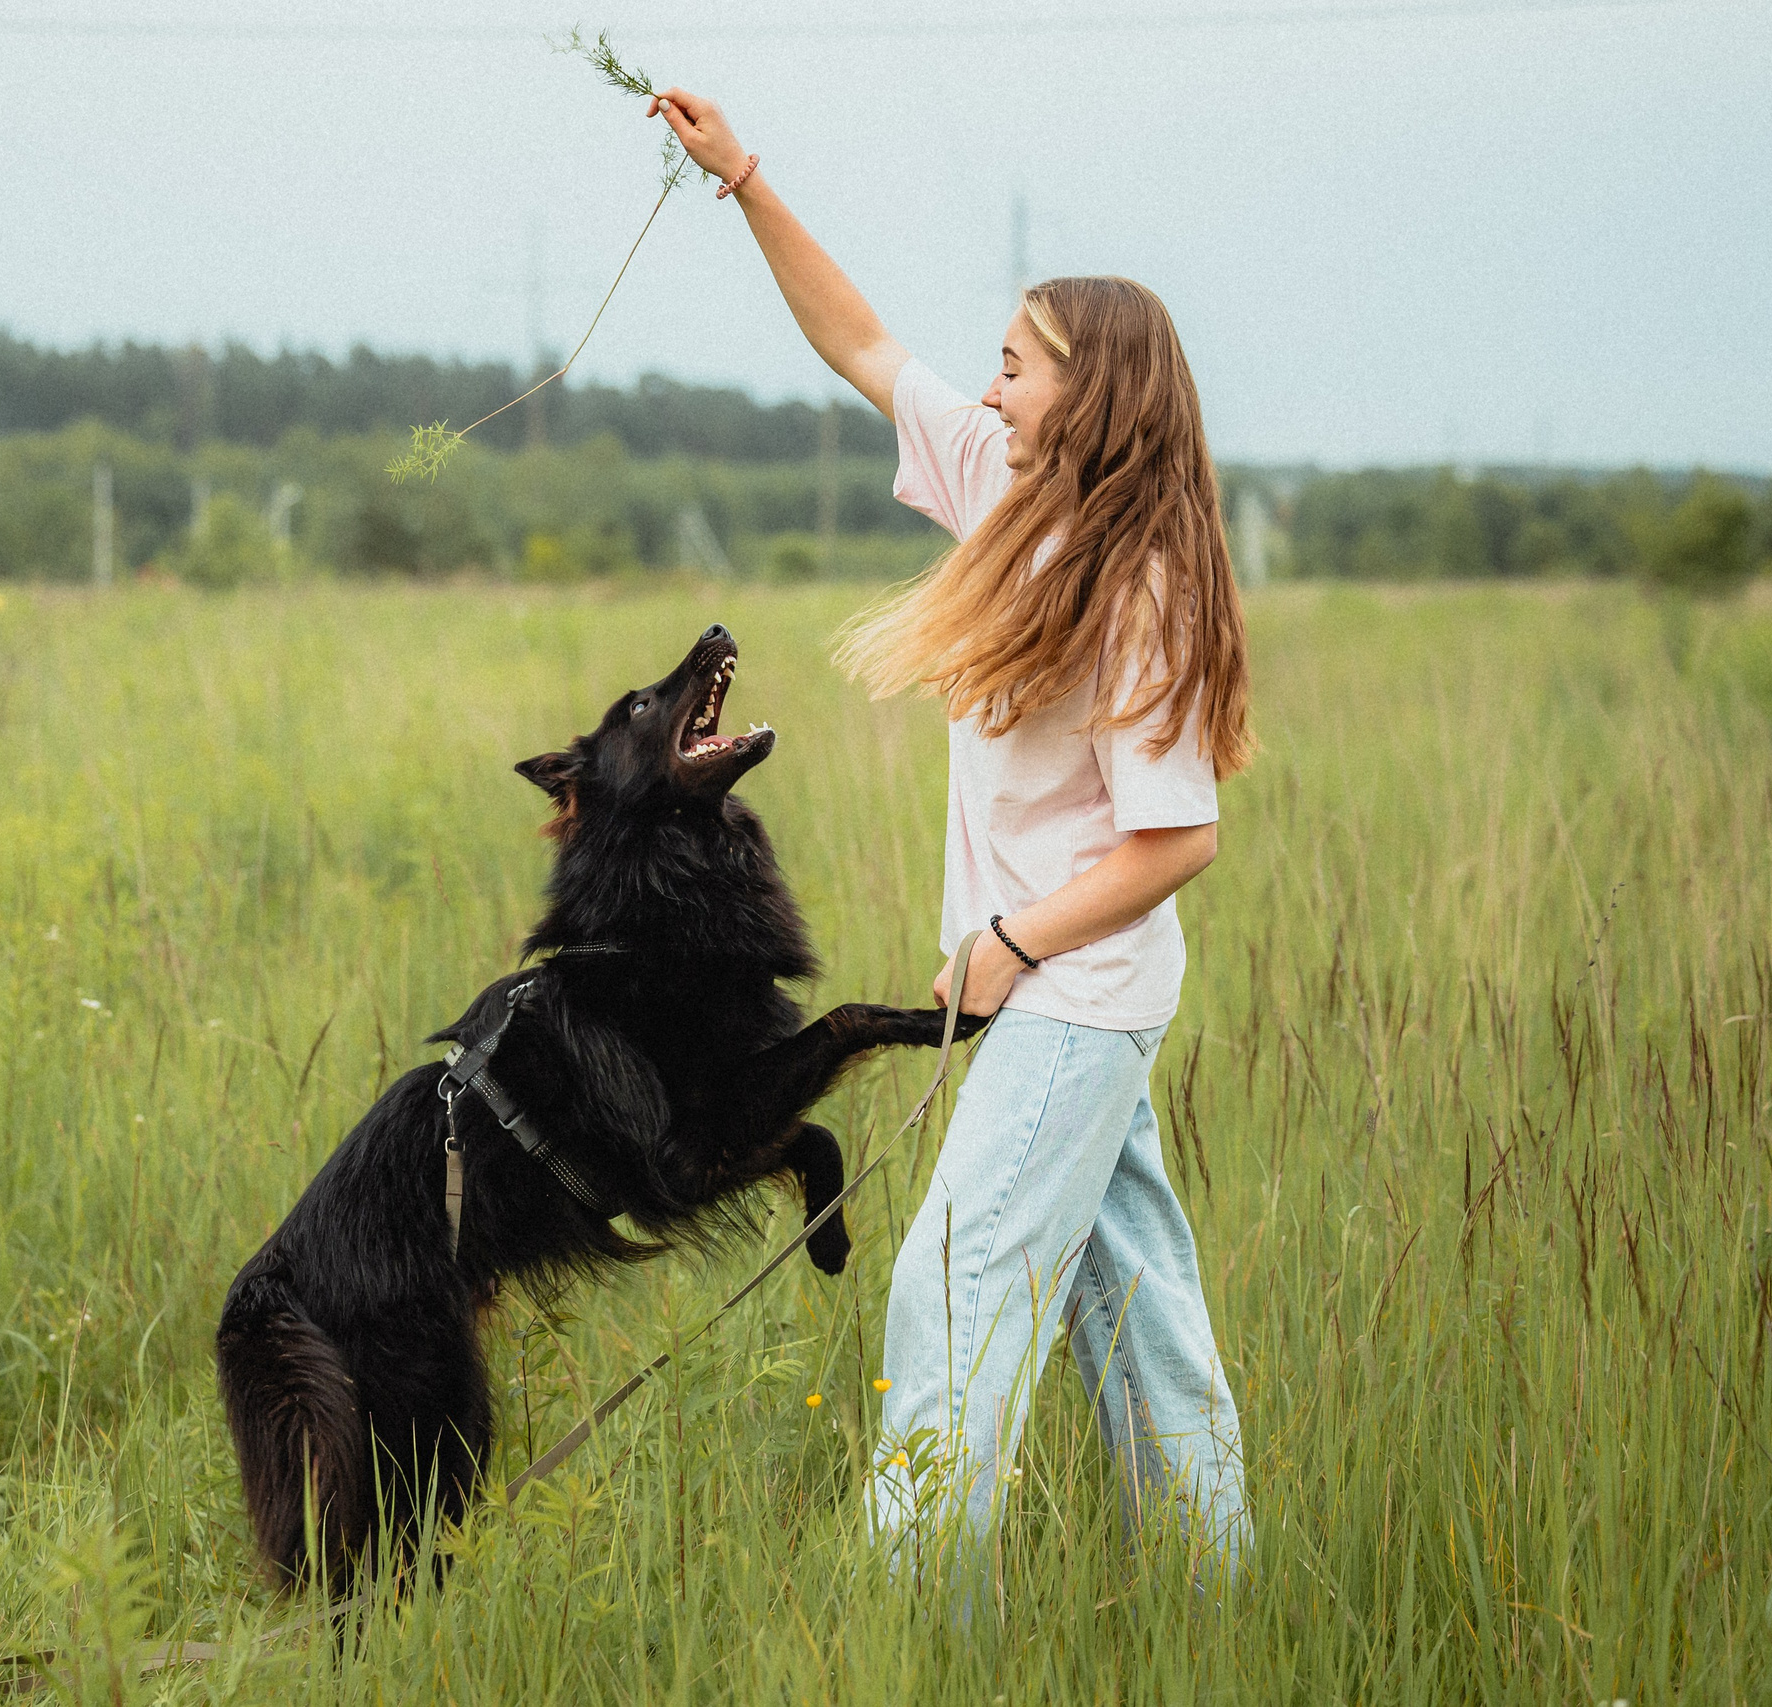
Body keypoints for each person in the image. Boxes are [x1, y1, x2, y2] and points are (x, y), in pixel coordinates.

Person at [647, 87, 1254, 1568]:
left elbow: (1180, 840)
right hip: (1052, 991)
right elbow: (858, 342)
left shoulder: (1146, 585)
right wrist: (745, 181)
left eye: (1015, 368)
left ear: (1094, 390)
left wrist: (1006, 944)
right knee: (1144, 1320)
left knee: (954, 1285)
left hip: (1072, 995)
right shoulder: (1005, 495)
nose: (989, 393)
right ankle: (1217, 1591)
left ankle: (910, 1613)